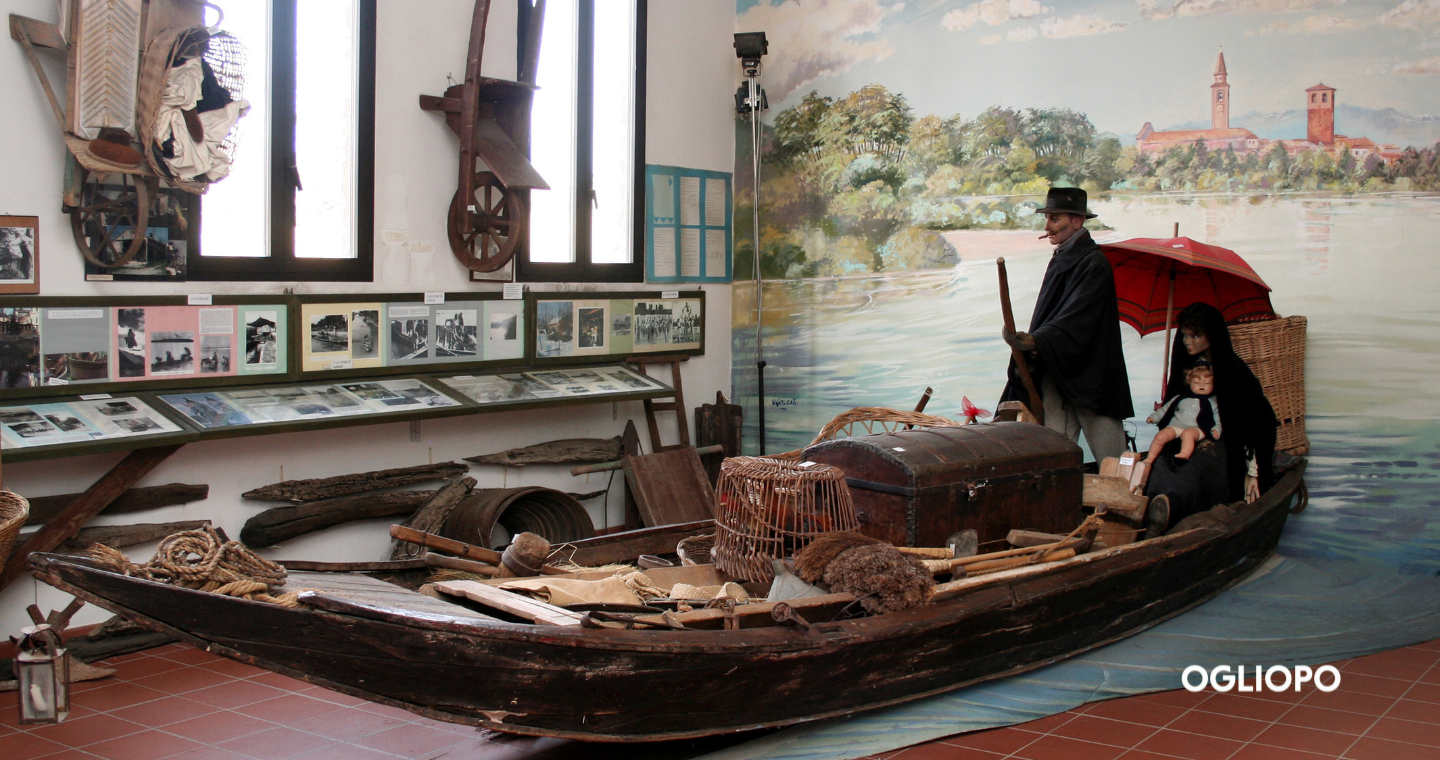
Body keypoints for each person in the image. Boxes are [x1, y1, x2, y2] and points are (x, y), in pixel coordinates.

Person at [1000, 187, 1132, 462]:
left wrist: (1037, 340)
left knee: (1113, 459)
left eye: (1054, 219)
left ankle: (1123, 498)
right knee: (1054, 453)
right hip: (1057, 369)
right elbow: (1051, 315)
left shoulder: (1094, 263)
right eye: (1047, 218)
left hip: (1091, 377)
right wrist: (1034, 340)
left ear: (1077, 220)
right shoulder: (1062, 258)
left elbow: (1078, 319)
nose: (1047, 226)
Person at [1144, 302, 1279, 535]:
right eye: (1185, 336)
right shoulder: (1186, 367)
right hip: (1185, 439)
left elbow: (1259, 420)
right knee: (1162, 466)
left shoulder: (1233, 371)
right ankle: (1154, 505)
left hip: (1221, 445)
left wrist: (1253, 470)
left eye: (1195, 336)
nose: (1188, 342)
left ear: (1212, 335)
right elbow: (1176, 405)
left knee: (1196, 471)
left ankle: (1172, 507)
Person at [1144, 361, 1221, 463]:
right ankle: (1149, 459)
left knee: (1188, 435)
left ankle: (1184, 454)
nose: (1202, 386)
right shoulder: (1180, 398)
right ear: (1189, 382)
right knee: (1160, 436)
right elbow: (1165, 409)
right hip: (1177, 426)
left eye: (1207, 383)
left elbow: (1219, 419)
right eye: (1197, 383)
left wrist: (1217, 429)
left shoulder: (1213, 403)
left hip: (1198, 429)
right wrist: (1154, 417)